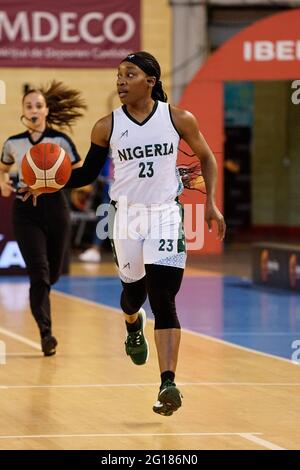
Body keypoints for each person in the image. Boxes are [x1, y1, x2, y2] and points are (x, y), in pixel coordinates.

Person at [23, 51, 226, 415]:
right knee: (133, 295)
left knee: (164, 297)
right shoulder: (107, 126)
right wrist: (49, 184)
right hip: (126, 218)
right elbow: (86, 174)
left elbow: (207, 157)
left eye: (128, 74)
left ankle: (168, 383)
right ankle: (133, 324)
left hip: (165, 215)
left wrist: (211, 203)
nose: (120, 81)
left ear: (149, 81)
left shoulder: (178, 119)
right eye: (118, 75)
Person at [0, 81, 86, 356]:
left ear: (47, 110)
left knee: (54, 273)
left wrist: (59, 180)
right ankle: (46, 334)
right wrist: (2, 182)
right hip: (26, 209)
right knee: (39, 273)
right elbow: (2, 170)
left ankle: (46, 309)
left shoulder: (60, 142)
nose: (34, 110)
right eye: (29, 106)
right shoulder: (13, 143)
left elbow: (80, 174)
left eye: (39, 105)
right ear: (23, 111)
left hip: (56, 206)